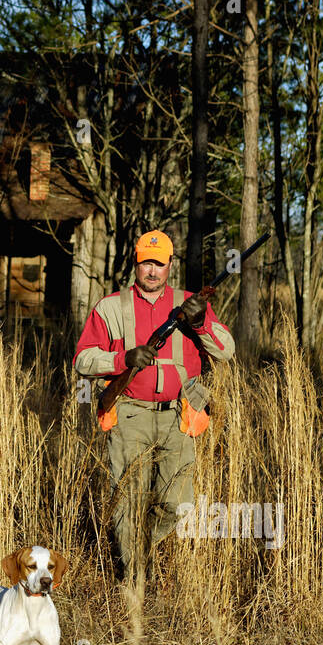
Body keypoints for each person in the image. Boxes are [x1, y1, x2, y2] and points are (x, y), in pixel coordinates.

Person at [73, 229, 235, 584]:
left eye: (159, 264)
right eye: (146, 262)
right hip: (128, 413)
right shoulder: (110, 307)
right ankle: (135, 579)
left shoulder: (190, 304)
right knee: (127, 501)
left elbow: (226, 350)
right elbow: (82, 359)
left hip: (178, 416)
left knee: (179, 504)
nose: (152, 271)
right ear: (136, 263)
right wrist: (123, 359)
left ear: (170, 266)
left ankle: (141, 546)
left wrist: (200, 322)